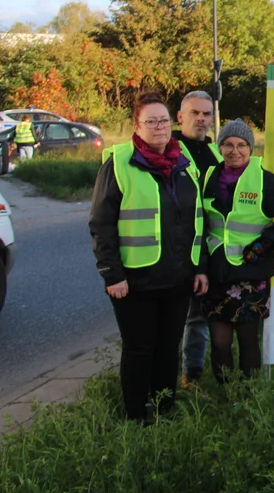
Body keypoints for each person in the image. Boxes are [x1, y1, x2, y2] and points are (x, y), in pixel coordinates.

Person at [89, 92, 207, 423]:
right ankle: (137, 418)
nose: (159, 127)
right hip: (134, 280)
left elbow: (195, 220)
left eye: (164, 120)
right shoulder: (119, 163)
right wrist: (112, 274)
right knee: (140, 349)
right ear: (137, 126)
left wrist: (198, 268)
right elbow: (101, 224)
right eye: (151, 121)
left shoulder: (184, 161)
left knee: (169, 348)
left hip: (178, 277)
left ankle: (164, 409)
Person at [201, 120, 274, 382]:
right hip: (216, 275)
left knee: (248, 342)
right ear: (219, 147)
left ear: (251, 148)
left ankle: (250, 397)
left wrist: (264, 245)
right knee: (220, 343)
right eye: (227, 144)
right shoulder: (207, 178)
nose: (234, 151)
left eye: (241, 145)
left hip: (250, 276)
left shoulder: (264, 181)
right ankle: (226, 395)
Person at [171, 91, 220, 389]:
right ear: (180, 117)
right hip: (177, 249)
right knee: (173, 320)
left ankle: (192, 374)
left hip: (207, 248)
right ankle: (164, 378)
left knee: (199, 316)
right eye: (194, 113)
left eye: (206, 114)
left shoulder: (214, 152)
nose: (200, 119)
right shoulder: (170, 151)